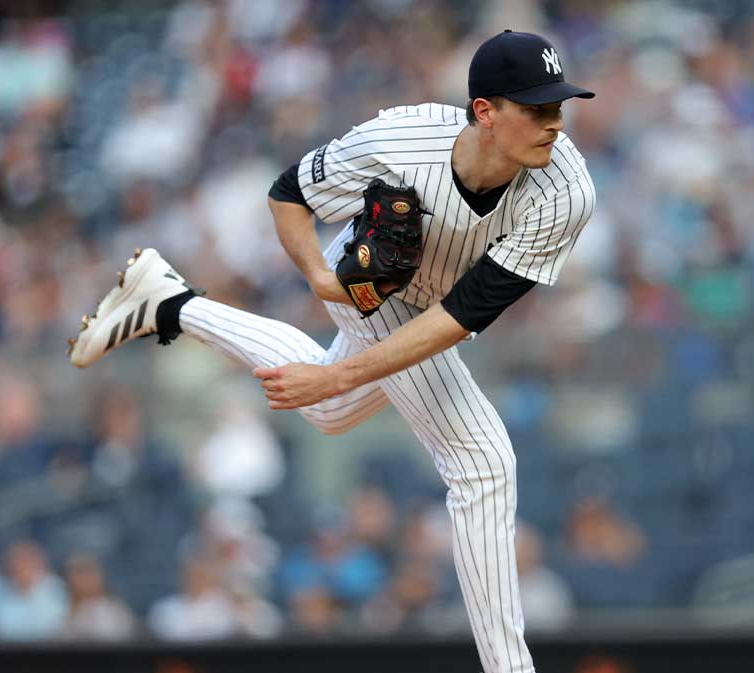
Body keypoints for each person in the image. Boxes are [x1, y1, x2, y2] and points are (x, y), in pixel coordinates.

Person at [70, 30, 595, 673]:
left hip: (439, 308)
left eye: (558, 106)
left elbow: (462, 316)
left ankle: (168, 302)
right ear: (485, 111)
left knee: (330, 405)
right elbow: (289, 193)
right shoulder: (399, 142)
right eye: (536, 108)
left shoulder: (565, 190)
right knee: (482, 460)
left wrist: (339, 376)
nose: (554, 123)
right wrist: (320, 276)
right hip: (374, 286)